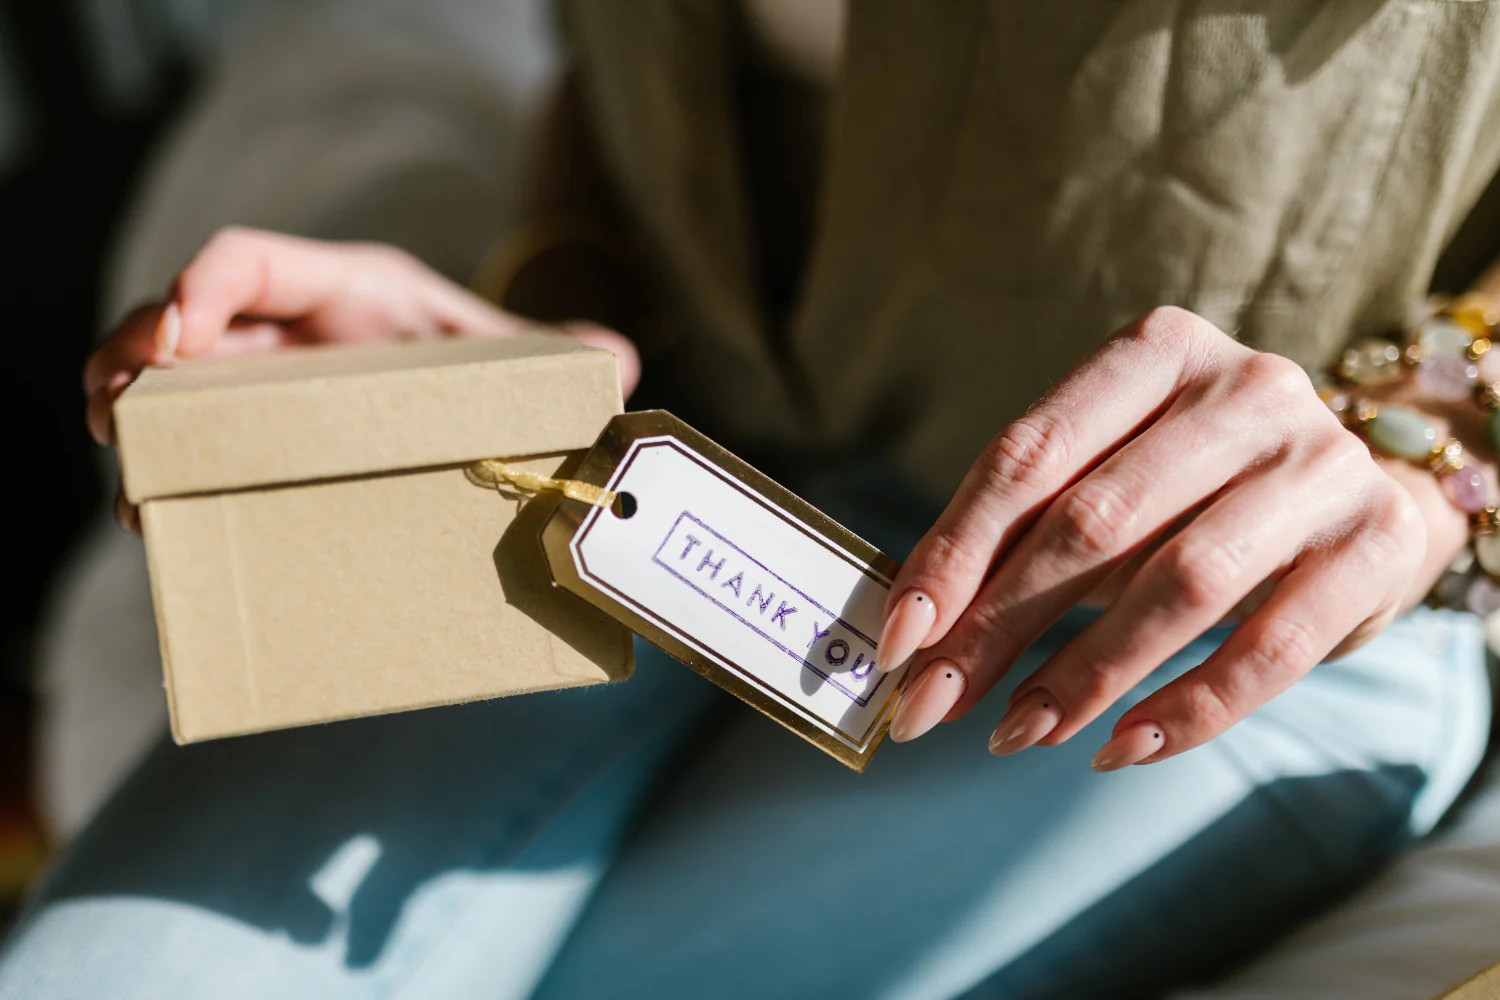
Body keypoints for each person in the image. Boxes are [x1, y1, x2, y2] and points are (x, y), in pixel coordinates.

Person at [2, 1, 1498, 996]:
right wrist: (531, 331)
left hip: (1203, 616)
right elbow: (654, 77)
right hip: (659, 481)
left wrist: (1434, 452)